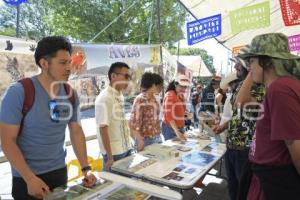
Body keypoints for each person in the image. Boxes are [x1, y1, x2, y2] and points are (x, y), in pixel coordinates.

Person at [0, 36, 96, 200]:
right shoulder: (19, 92)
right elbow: (7, 141)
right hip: (27, 178)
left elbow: (76, 132)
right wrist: (29, 178)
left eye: (69, 62)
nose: (69, 68)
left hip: (59, 172)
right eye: (63, 63)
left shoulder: (69, 93)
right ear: (44, 64)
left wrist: (86, 168)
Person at [237, 33, 300, 200]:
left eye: (251, 61)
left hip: (274, 183)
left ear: (266, 61)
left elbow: (294, 142)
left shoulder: (280, 89)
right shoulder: (279, 87)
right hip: (266, 178)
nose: (248, 67)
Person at [213, 56, 265, 200]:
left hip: (246, 150)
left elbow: (242, 103)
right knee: (233, 189)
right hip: (232, 147)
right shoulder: (241, 86)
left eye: (238, 64)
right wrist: (223, 126)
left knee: (243, 192)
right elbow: (238, 115)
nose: (235, 68)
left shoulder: (261, 86)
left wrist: (250, 72)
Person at [95, 62, 133, 171]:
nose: (128, 80)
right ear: (113, 76)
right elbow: (103, 128)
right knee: (112, 185)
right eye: (126, 76)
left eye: (129, 77)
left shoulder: (119, 94)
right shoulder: (104, 98)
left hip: (126, 148)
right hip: (114, 153)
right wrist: (110, 157)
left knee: (125, 184)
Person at [129, 72, 164, 151]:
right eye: (156, 85)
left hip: (157, 137)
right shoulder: (140, 99)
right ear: (152, 85)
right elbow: (133, 123)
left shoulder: (154, 99)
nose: (158, 88)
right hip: (146, 140)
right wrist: (140, 140)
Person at [162, 74, 190, 141]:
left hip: (179, 127)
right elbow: (169, 116)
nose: (183, 89)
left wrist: (186, 114)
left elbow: (181, 111)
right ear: (175, 84)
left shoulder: (180, 95)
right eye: (181, 86)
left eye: (185, 87)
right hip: (171, 128)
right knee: (172, 150)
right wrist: (177, 131)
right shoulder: (170, 95)